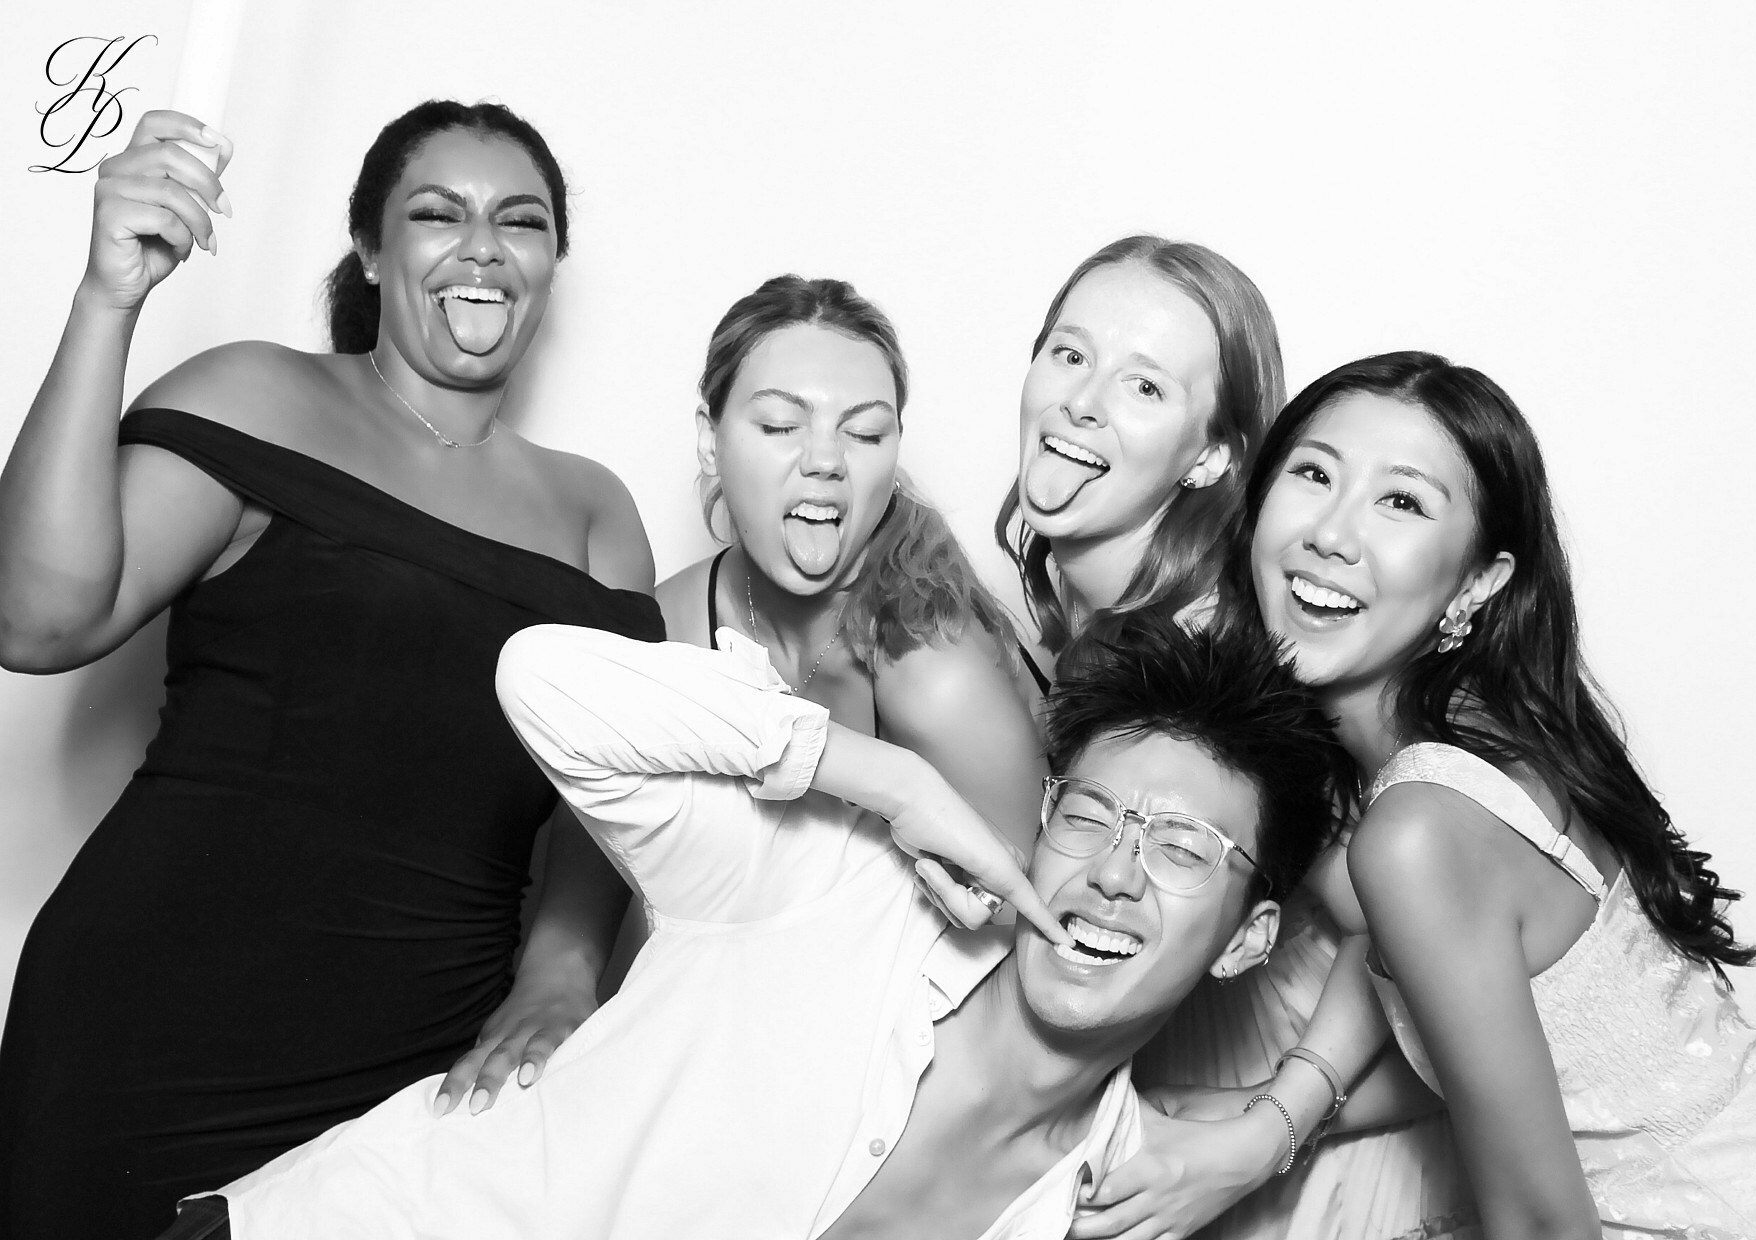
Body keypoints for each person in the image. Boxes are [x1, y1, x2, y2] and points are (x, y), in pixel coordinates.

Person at [0, 102, 661, 1238]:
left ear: (552, 263)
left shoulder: (594, 515)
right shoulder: (256, 396)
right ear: (369, 248)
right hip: (147, 1032)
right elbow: (37, 620)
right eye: (438, 214)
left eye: (521, 222)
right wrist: (108, 299)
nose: (483, 247)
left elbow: (612, 796)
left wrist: (561, 968)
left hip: (419, 1083)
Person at [161, 612, 1343, 1240]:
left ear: (1246, 939)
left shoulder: (1119, 1196)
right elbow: (541, 679)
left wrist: (1278, 1126)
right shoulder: (831, 886)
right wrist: (884, 777)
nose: (1115, 873)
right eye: (1087, 815)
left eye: (1182, 848)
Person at [1235, 350, 1756, 1237]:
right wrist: (1266, 1121)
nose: (1331, 533)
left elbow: (1542, 1226)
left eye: (1401, 501)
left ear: (1478, 583)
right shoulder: (1501, 734)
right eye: (1315, 474)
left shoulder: (1420, 830)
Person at [432, 273, 1047, 1111]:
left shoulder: (936, 668)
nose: (824, 460)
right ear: (709, 439)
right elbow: (595, 819)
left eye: (865, 432)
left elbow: (1021, 949)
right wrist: (557, 973)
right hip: (701, 1047)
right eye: (781, 425)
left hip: (879, 1083)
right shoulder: (670, 621)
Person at [997, 237, 1475, 1240]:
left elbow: (1412, 926)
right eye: (1069, 354)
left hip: (1296, 1127)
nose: (1081, 402)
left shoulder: (1224, 647)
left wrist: (1267, 1124)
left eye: (1142, 386)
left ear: (1213, 455)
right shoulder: (1099, 623)